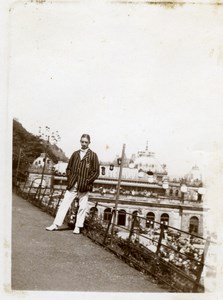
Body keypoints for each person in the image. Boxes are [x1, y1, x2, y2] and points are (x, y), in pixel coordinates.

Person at [46, 134, 100, 234]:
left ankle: (78, 227)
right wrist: (70, 179)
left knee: (83, 207)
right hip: (72, 184)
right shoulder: (75, 154)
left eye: (86, 142)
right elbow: (69, 169)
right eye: (82, 141)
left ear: (89, 143)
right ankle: (55, 224)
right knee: (64, 204)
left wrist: (87, 181)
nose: (84, 144)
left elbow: (96, 172)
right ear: (80, 141)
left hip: (84, 186)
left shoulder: (93, 155)